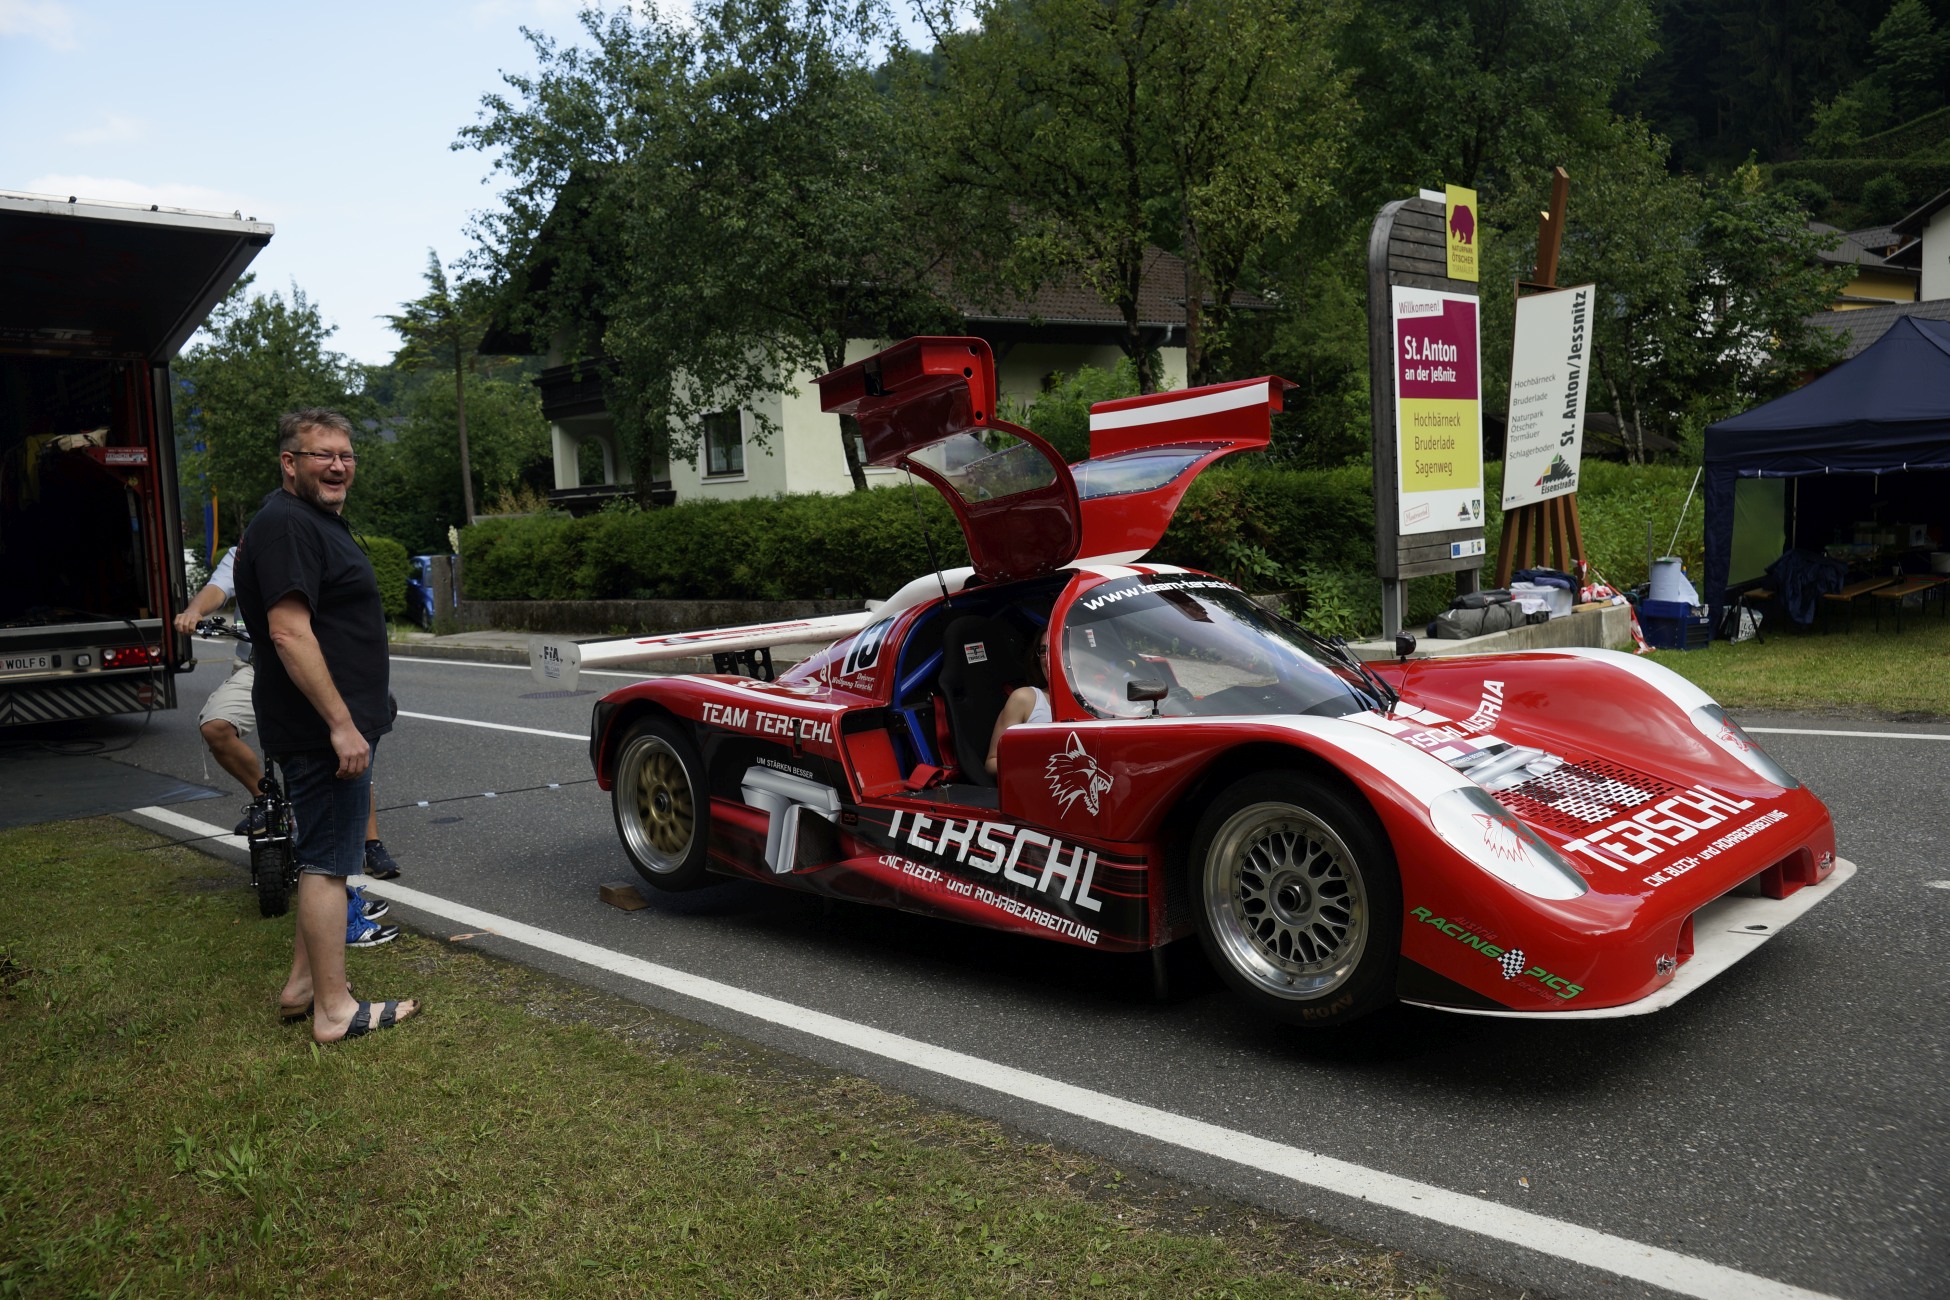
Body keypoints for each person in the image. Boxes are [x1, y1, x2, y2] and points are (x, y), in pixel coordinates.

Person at [234, 409, 418, 1043]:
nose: (338, 465)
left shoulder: (305, 521)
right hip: (320, 729)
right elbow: (287, 630)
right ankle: (334, 1011)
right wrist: (341, 725)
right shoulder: (287, 525)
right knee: (328, 865)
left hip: (325, 724)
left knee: (325, 853)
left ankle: (303, 987)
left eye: (346, 454)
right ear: (290, 463)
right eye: (321, 455)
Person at [176, 549, 396, 942]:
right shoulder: (246, 553)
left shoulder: (319, 545)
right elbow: (216, 588)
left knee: (344, 751)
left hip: (317, 668)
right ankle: (271, 799)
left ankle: (369, 843)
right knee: (216, 726)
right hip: (259, 667)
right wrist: (194, 610)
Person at [984, 627, 1053, 777]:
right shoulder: (1025, 698)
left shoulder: (1100, 700)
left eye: (1057, 648)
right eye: (1043, 651)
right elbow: (992, 762)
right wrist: (1037, 764)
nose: (1048, 658)